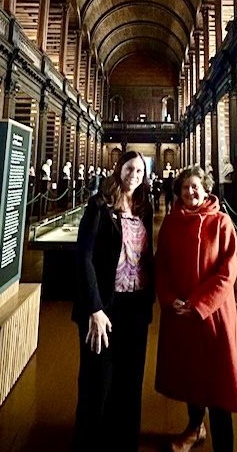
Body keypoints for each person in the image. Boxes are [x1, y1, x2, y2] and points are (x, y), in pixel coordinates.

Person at [155, 165, 237, 452]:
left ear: (206, 190)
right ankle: (195, 428)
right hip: (181, 313)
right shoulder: (171, 223)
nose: (190, 192)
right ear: (178, 193)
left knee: (219, 381)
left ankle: (225, 444)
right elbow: (162, 266)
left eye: (195, 187)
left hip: (213, 314)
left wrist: (199, 304)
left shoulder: (221, 222)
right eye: (185, 188)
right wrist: (170, 300)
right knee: (190, 375)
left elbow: (227, 272)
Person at [72, 151, 155, 452]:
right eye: (130, 168)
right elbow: (84, 257)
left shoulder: (145, 207)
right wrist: (94, 307)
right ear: (119, 170)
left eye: (140, 170)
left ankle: (123, 443)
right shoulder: (99, 206)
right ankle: (89, 443)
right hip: (104, 307)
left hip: (135, 306)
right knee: (98, 381)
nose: (134, 174)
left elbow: (148, 256)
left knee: (130, 381)